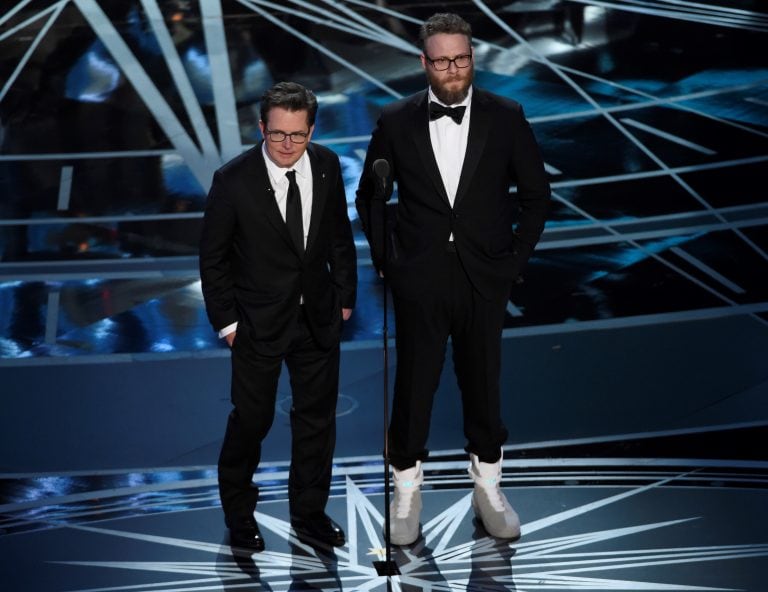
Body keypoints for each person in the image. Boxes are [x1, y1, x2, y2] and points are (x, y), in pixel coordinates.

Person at [356, 13, 550, 545]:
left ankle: (489, 490)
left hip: (486, 276)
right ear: (424, 63)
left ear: (472, 58)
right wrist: (387, 260)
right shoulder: (395, 120)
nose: (452, 69)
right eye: (441, 60)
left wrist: (512, 261)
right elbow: (370, 197)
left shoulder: (506, 116)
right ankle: (407, 493)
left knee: (483, 386)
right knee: (414, 388)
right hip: (420, 278)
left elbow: (536, 197)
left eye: (460, 59)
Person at [199, 81, 357, 551]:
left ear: (312, 129)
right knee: (252, 420)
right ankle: (239, 516)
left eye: (299, 135)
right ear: (261, 127)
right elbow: (213, 258)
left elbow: (338, 236)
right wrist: (228, 323)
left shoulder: (327, 166)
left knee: (316, 421)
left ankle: (309, 515)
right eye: (278, 135)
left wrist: (344, 296)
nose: (288, 146)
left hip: (319, 319)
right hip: (257, 324)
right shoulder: (232, 180)